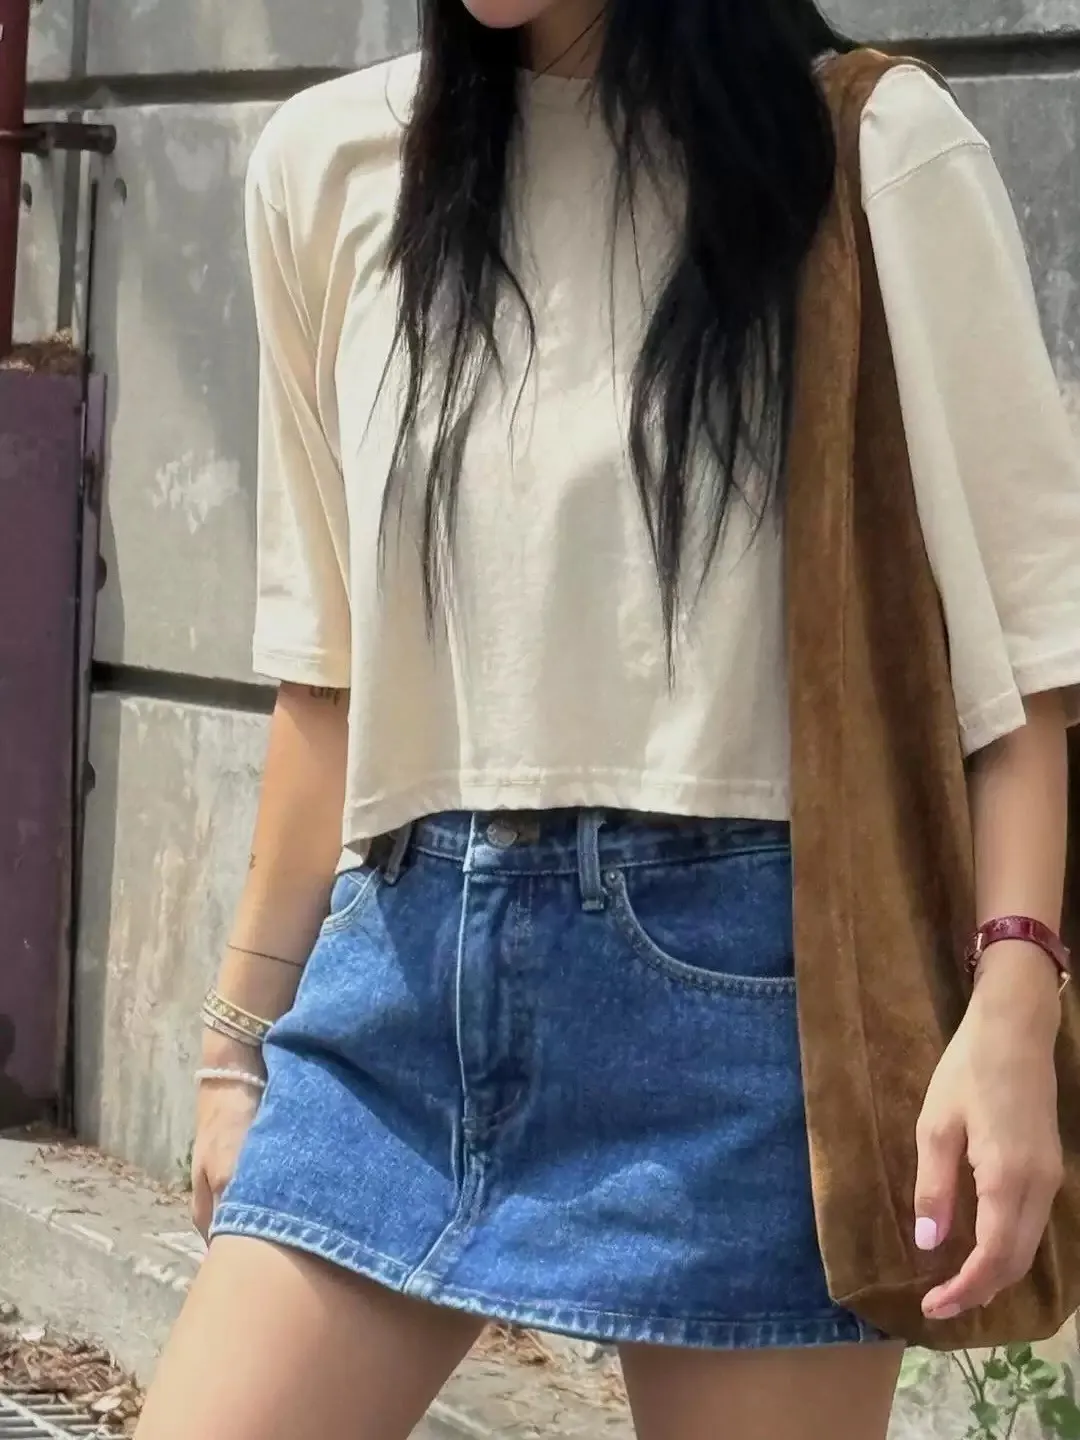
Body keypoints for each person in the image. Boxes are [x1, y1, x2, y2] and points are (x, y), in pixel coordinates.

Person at [133, 2, 1080, 1437]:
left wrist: (1012, 1005)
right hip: (401, 996)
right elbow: (327, 681)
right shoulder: (331, 166)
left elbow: (1027, 670)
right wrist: (233, 1045)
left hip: (746, 1024)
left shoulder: (869, 150)